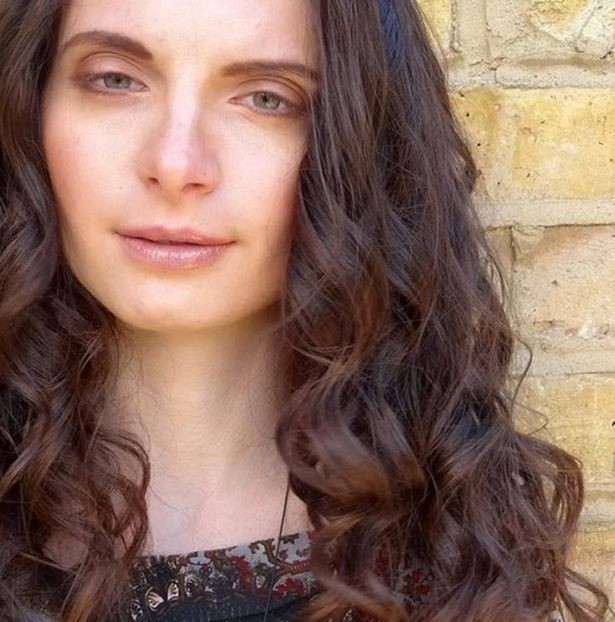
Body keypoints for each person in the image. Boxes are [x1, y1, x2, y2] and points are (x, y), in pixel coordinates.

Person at [0, 0, 611, 621]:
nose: (176, 164)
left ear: (360, 148)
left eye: (267, 98)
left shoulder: (451, 565)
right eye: (114, 79)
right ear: (28, 109)